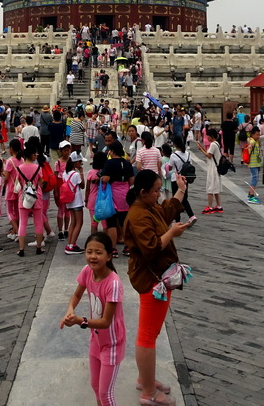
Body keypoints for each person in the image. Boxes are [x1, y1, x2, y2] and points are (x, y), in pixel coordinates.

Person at [124, 169, 192, 406]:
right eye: (155, 191)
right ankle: (149, 392)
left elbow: (166, 210)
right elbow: (151, 247)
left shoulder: (148, 207)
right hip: (151, 280)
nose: (158, 194)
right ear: (143, 193)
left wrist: (181, 190)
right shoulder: (137, 215)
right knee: (147, 336)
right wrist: (172, 232)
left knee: (150, 333)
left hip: (158, 279)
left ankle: (146, 379)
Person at [60, 232, 125, 406]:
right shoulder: (87, 271)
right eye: (89, 252)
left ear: (109, 256)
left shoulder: (113, 283)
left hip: (111, 344)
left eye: (98, 252)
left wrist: (80, 321)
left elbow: (106, 322)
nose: (93, 257)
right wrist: (70, 310)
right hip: (96, 341)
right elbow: (76, 294)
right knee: (95, 387)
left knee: (106, 394)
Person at [62, 152, 86, 254]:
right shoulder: (75, 174)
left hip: (69, 201)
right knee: (79, 222)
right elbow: (82, 185)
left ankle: (69, 244)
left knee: (73, 222)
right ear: (75, 162)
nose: (80, 164)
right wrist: (81, 172)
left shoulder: (64, 173)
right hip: (76, 200)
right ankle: (72, 244)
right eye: (80, 161)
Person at [197, 127, 223, 213]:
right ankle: (219, 206)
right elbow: (209, 153)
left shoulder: (212, 144)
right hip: (216, 168)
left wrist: (201, 150)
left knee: (210, 188)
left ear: (211, 136)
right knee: (216, 188)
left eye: (208, 136)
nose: (207, 137)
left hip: (213, 168)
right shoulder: (217, 143)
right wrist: (202, 148)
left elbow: (209, 155)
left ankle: (210, 206)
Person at [245, 125, 262, 203]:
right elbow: (250, 144)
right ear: (252, 134)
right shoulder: (252, 141)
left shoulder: (255, 141)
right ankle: (251, 196)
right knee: (254, 179)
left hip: (256, 163)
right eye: (257, 134)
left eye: (259, 134)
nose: (258, 136)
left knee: (255, 179)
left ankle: (250, 194)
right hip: (253, 164)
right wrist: (250, 146)